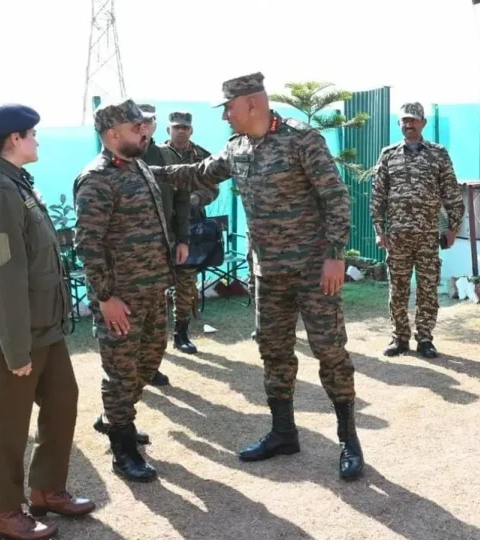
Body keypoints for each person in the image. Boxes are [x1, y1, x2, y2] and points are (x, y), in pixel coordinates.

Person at [151, 72, 364, 480]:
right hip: (269, 273)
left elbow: (335, 197)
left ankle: (348, 440)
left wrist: (335, 255)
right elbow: (198, 173)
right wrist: (150, 171)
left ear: (251, 104)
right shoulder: (238, 147)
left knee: (329, 350)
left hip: (313, 270)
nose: (225, 116)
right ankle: (284, 432)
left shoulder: (302, 139)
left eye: (229, 108)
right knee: (273, 350)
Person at [0, 104, 94, 540]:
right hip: (13, 332)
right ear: (14, 139)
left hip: (42, 326)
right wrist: (16, 349)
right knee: (11, 423)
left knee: (62, 399)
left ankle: (46, 490)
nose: (37, 140)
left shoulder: (15, 181)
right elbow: (0, 278)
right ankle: (4, 512)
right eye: (32, 134)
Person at [74, 100, 174, 483]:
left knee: (148, 363)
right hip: (120, 299)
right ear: (113, 133)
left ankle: (115, 418)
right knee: (120, 373)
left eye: (143, 126)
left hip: (152, 289)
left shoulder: (138, 166)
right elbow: (88, 244)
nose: (144, 132)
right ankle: (123, 447)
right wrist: (105, 297)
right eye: (136, 128)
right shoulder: (96, 179)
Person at [371, 102, 464, 359]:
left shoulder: (438, 154)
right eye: (404, 120)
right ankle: (399, 338)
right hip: (397, 237)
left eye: (413, 120)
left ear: (423, 123)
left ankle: (425, 339)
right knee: (397, 290)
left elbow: (452, 194)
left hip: (427, 236)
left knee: (427, 289)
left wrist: (453, 228)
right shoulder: (388, 154)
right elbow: (378, 196)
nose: (409, 124)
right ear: (399, 123)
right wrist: (379, 230)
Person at [159, 111, 218, 354]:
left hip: (190, 226)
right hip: (160, 226)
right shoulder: (156, 154)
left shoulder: (202, 156)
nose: (181, 131)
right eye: (176, 127)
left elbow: (213, 188)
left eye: (185, 127)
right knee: (157, 281)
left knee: (186, 280)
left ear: (191, 130)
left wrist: (195, 198)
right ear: (168, 130)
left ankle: (181, 332)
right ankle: (154, 336)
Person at [135, 102, 171, 386]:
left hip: (161, 247)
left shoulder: (164, 155)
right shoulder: (117, 161)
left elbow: (180, 197)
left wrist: (181, 238)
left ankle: (150, 366)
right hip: (131, 258)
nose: (145, 127)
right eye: (139, 122)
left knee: (157, 320)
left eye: (149, 122)